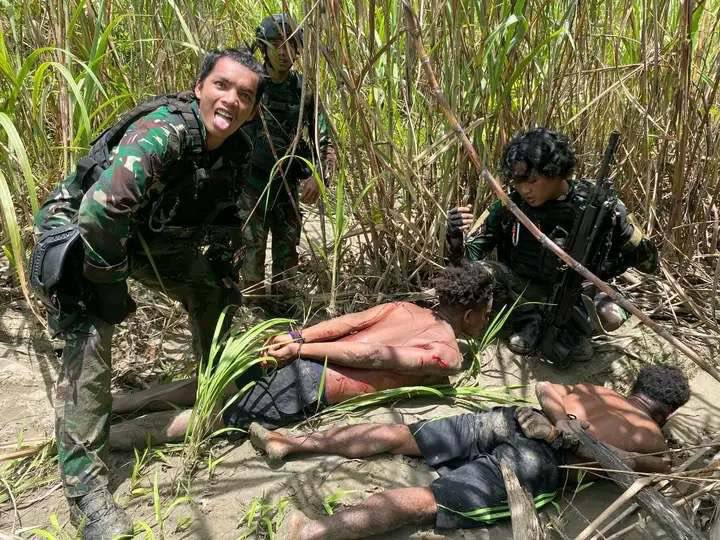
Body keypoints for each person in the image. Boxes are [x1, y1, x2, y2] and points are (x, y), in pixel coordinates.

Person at [31, 48, 265, 538]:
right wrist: (108, 282)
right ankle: (86, 491)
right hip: (82, 230)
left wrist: (221, 278)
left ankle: (215, 390)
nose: (231, 100)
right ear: (199, 87)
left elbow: (226, 224)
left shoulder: (238, 150)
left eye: (245, 94)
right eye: (222, 85)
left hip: (150, 236)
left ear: (254, 108)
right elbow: (100, 211)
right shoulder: (165, 131)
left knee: (214, 287)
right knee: (91, 324)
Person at [249, 364, 690, 539]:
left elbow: (546, 387)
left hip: (519, 417)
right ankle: (313, 533)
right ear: (666, 413)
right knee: (429, 501)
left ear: (633, 388)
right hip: (543, 457)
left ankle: (287, 441)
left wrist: (560, 418)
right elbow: (647, 468)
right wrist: (568, 434)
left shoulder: (597, 389)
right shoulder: (653, 435)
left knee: (403, 436)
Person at [108, 261, 510, 448]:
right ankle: (108, 439)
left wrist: (295, 337)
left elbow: (346, 321)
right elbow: (372, 355)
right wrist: (301, 346)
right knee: (214, 417)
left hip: (298, 358)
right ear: (473, 314)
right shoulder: (447, 352)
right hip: (309, 379)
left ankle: (115, 405)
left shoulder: (405, 308)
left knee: (206, 387)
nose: (485, 322)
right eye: (486, 316)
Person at [447, 128, 658, 363]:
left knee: (610, 317)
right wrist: (455, 235)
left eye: (532, 181)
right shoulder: (511, 206)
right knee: (485, 275)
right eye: (517, 182)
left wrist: (621, 230)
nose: (524, 189)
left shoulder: (597, 207)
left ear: (556, 172)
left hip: (579, 292)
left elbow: (650, 262)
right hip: (522, 291)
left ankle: (566, 329)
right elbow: (467, 264)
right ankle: (529, 320)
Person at [239, 13, 336, 305]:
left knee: (286, 256)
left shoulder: (303, 91)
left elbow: (325, 140)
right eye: (277, 44)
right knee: (250, 253)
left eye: (292, 44)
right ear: (263, 47)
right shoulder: (249, 85)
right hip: (251, 185)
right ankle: (252, 316)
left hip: (286, 186)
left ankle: (281, 314)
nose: (285, 52)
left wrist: (319, 176)